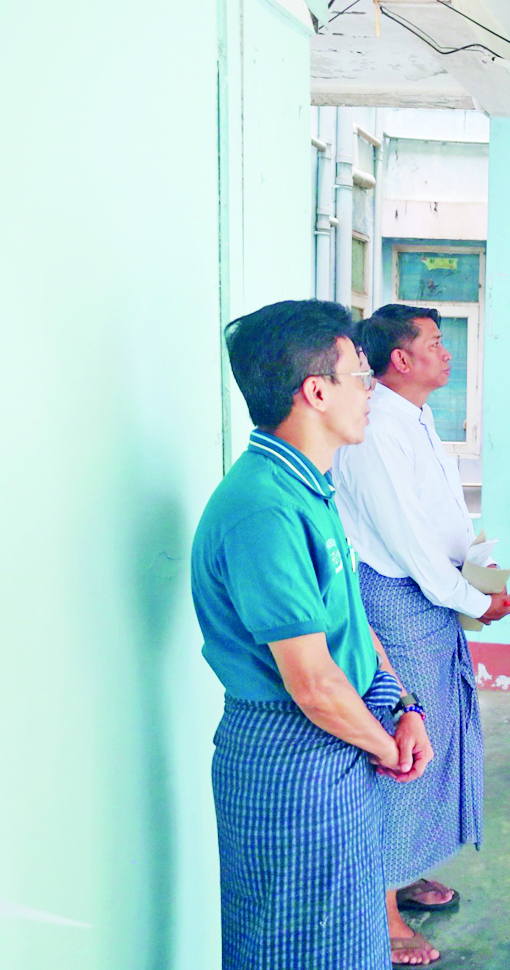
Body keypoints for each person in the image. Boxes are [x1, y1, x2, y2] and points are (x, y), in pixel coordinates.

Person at [191, 299, 432, 970]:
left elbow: (353, 626)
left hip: (337, 743)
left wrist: (403, 705)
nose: (371, 389)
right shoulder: (263, 508)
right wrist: (387, 746)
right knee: (296, 948)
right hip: (291, 759)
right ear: (316, 391)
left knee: (346, 942)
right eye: (361, 375)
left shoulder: (308, 487)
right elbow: (314, 683)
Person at [334, 304, 510, 966]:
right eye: (435, 343)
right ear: (401, 359)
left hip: (432, 598)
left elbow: (437, 519)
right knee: (399, 749)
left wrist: (475, 582)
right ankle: (380, 910)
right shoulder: (378, 428)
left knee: (428, 742)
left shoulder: (414, 416)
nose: (447, 353)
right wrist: (474, 600)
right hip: (398, 604)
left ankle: (403, 871)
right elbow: (407, 542)